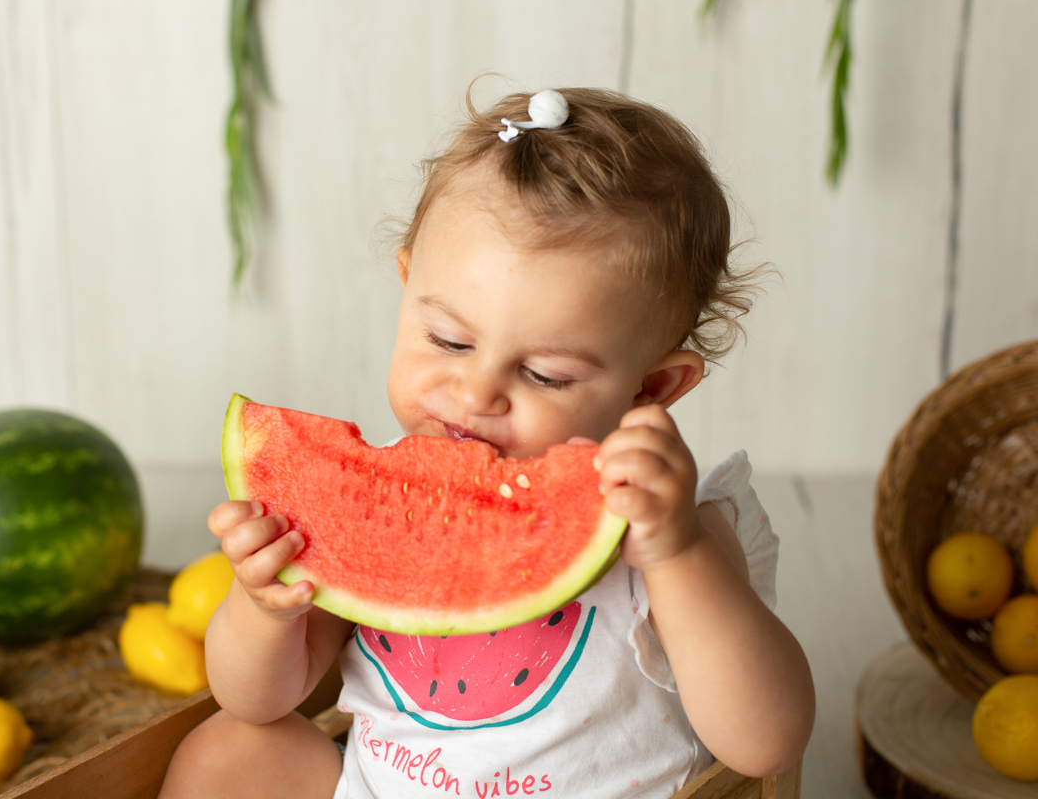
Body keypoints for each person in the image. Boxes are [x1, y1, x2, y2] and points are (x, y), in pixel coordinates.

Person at [159, 87, 815, 799]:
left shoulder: (675, 528)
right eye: (448, 340)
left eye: (545, 374)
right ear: (407, 288)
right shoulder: (383, 505)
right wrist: (263, 609)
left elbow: (766, 743)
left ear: (650, 388)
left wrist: (678, 553)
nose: (475, 393)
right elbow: (257, 700)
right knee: (227, 753)